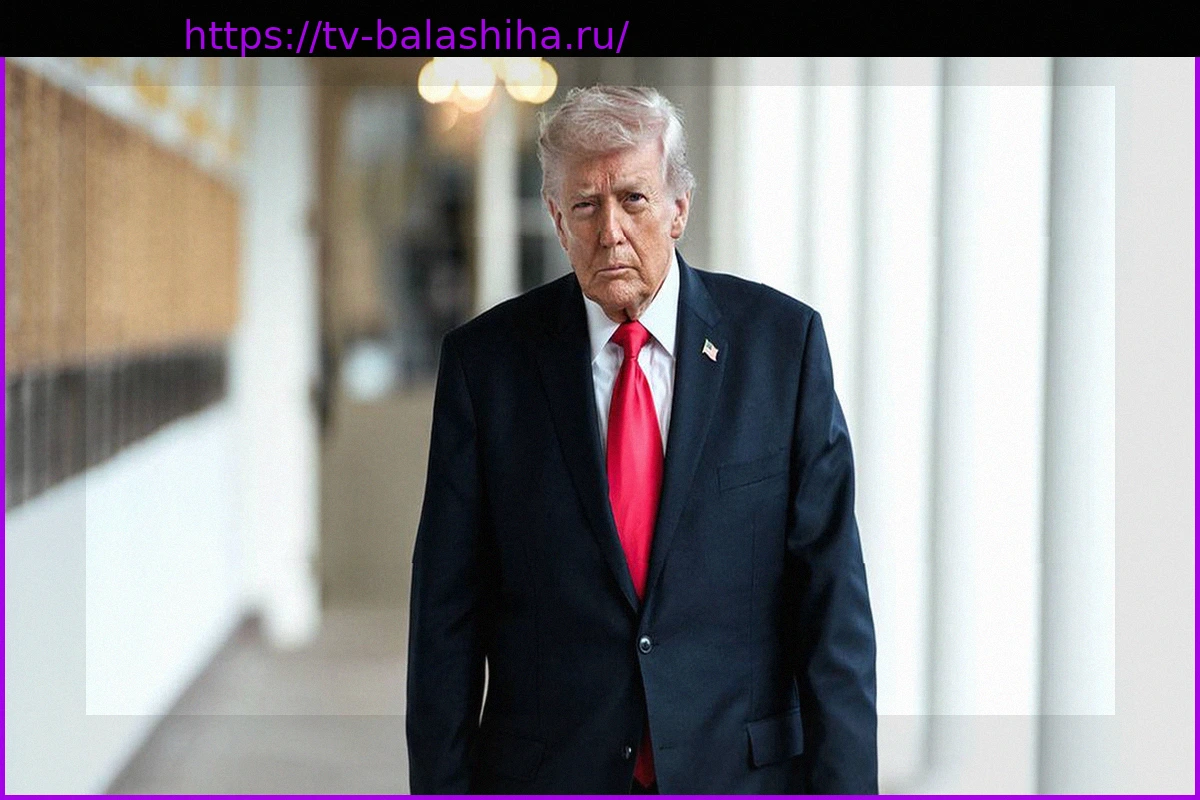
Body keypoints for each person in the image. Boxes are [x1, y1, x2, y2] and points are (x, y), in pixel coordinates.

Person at [406, 85, 876, 794]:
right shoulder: (486, 367)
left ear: (678, 208)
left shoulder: (784, 349)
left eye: (633, 199)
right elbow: (445, 620)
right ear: (556, 219)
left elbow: (833, 609)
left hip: (738, 776)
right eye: (585, 206)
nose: (610, 232)